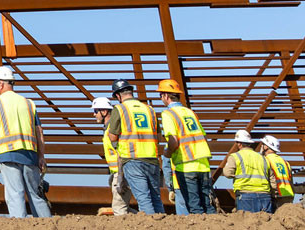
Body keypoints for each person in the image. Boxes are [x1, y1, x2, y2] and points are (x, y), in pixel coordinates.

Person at [0, 65, 52, 217]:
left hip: (8, 154)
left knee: (15, 194)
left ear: (1, 84)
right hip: (30, 155)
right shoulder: (28, 103)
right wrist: (41, 156)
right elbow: (39, 131)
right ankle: (47, 224)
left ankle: (19, 225)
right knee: (36, 194)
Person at [105, 79, 163, 214]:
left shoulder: (120, 109)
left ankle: (151, 223)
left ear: (118, 95)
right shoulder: (149, 109)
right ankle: (162, 222)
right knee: (156, 198)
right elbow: (159, 137)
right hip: (152, 158)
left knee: (144, 199)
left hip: (132, 159)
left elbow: (112, 136)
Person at [156, 79, 214, 214]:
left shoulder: (168, 114)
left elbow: (173, 141)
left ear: (166, 95)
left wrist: (167, 153)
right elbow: (203, 137)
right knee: (208, 205)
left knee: (194, 207)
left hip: (186, 165)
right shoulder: (190, 112)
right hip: (203, 164)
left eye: (160, 95)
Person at [91, 97, 134, 214]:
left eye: (96, 111)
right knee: (122, 208)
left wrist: (120, 177)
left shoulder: (112, 130)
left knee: (119, 210)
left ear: (104, 112)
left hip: (121, 173)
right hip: (119, 173)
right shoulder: (109, 129)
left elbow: (121, 153)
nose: (94, 114)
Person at [213, 130, 271, 213]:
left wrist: (236, 175)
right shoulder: (263, 158)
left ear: (239, 144)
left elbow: (227, 173)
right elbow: (270, 176)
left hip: (245, 195)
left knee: (247, 220)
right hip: (265, 195)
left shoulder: (235, 156)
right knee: (266, 220)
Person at [261, 135, 295, 207]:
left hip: (276, 196)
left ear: (266, 147)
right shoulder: (285, 162)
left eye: (263, 144)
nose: (261, 146)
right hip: (287, 195)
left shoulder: (266, 160)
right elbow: (291, 181)